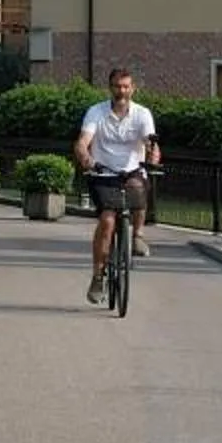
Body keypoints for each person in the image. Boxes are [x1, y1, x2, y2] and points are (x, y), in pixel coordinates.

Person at [75, 67, 159, 307]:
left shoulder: (142, 114)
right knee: (108, 220)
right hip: (103, 173)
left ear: (133, 89)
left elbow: (151, 143)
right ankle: (98, 276)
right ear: (110, 88)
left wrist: (153, 158)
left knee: (140, 192)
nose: (121, 91)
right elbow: (83, 142)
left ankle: (138, 236)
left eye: (126, 87)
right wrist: (86, 158)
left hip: (131, 170)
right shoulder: (96, 112)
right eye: (117, 86)